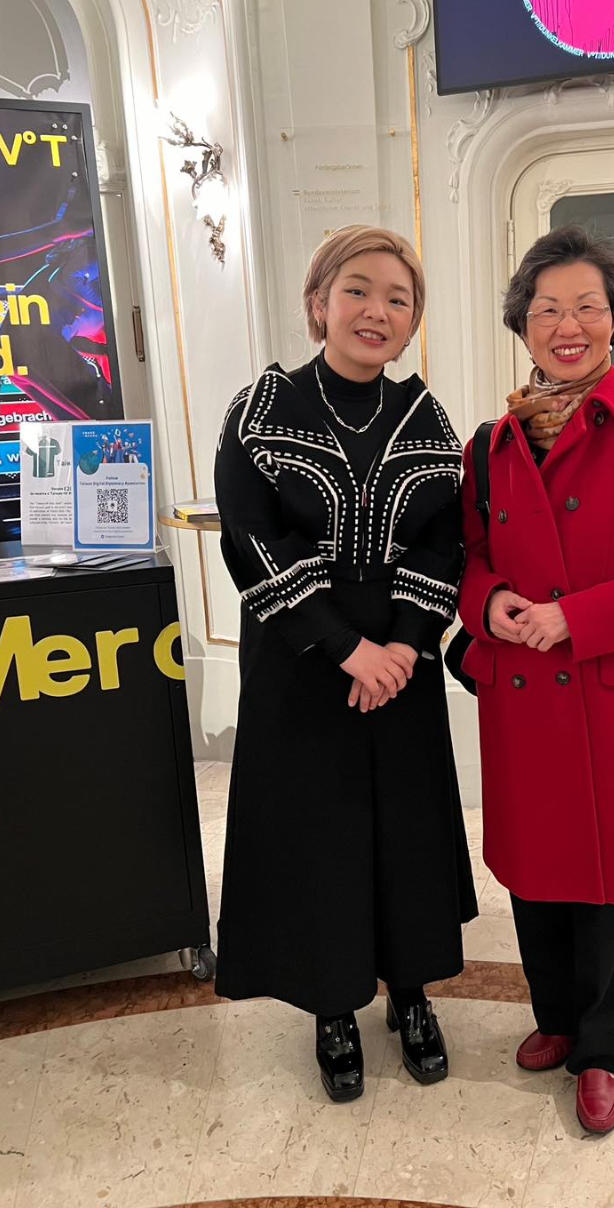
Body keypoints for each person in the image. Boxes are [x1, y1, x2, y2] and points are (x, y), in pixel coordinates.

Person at [458, 225, 614, 1134]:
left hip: (608, 698)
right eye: (546, 311)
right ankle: (557, 1020)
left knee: (610, 885)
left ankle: (603, 1050)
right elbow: (472, 558)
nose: (567, 327)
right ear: (522, 326)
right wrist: (490, 604)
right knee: (537, 871)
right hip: (523, 693)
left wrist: (577, 617)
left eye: (586, 309)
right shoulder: (490, 444)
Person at [214, 225, 477, 1103]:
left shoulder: (425, 415)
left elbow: (445, 542)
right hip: (302, 658)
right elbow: (253, 540)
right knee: (317, 830)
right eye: (358, 289)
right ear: (318, 301)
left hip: (401, 661)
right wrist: (346, 647)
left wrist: (401, 644)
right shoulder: (263, 408)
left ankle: (412, 992)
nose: (377, 310)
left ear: (412, 322)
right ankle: (332, 1005)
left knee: (406, 826)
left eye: (398, 299)